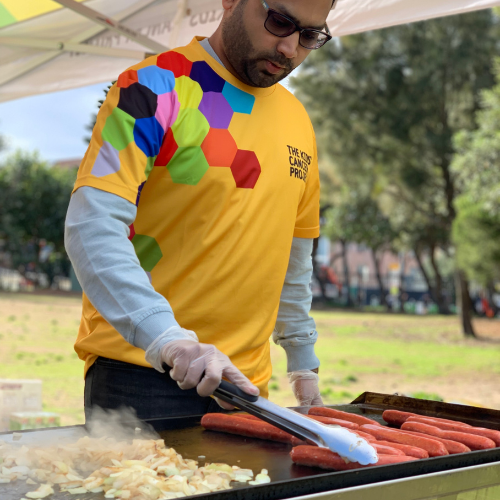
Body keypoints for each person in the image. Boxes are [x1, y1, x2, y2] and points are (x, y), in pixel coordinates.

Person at [65, 0, 335, 421]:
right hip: (143, 372)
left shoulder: (298, 119)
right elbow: (90, 225)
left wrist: (302, 359)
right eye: (280, 22)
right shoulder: (152, 85)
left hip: (245, 390)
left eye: (310, 36)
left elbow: (294, 255)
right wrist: (170, 340)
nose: (289, 49)